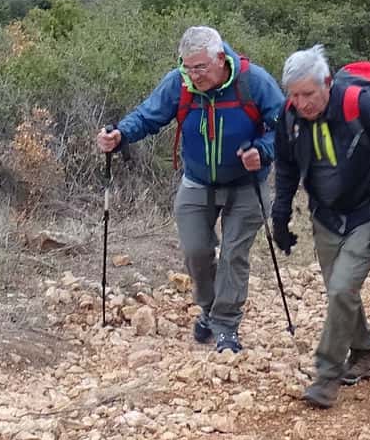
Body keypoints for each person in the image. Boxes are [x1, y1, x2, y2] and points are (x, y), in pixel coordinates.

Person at [99, 25, 284, 353]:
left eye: (200, 67)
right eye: (188, 67)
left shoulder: (253, 81)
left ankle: (226, 326)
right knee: (195, 251)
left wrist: (263, 150)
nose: (194, 76)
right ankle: (209, 310)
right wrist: (120, 134)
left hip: (246, 183)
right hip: (197, 180)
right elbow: (148, 115)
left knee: (233, 254)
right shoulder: (179, 83)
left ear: (220, 59)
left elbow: (284, 126)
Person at [271, 46, 370, 408]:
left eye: (308, 94)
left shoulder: (362, 107)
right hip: (326, 215)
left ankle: (327, 374)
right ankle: (364, 352)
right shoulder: (289, 117)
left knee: (341, 289)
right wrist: (281, 214)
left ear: (327, 83)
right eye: (294, 95)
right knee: (341, 291)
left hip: (369, 212)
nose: (302, 103)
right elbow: (286, 167)